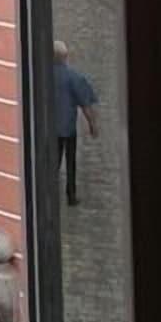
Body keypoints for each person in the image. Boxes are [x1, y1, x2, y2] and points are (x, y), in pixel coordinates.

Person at [54, 39, 98, 204]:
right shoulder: (74, 77)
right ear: (66, 56)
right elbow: (86, 104)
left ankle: (49, 195)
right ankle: (71, 195)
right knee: (70, 162)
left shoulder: (42, 76)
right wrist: (93, 125)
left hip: (50, 129)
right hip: (68, 128)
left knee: (53, 163)